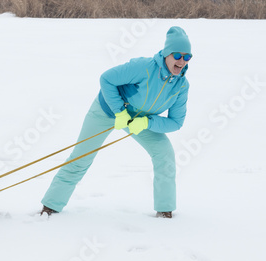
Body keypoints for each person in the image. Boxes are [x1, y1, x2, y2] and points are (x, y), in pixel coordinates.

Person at [40, 26, 192, 219]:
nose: (181, 61)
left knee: (165, 155)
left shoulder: (181, 86)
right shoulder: (144, 67)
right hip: (107, 110)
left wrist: (147, 123)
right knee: (82, 157)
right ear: (166, 54)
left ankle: (165, 209)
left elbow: (176, 122)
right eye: (177, 55)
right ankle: (51, 205)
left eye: (187, 57)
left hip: (139, 120)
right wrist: (119, 112)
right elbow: (107, 79)